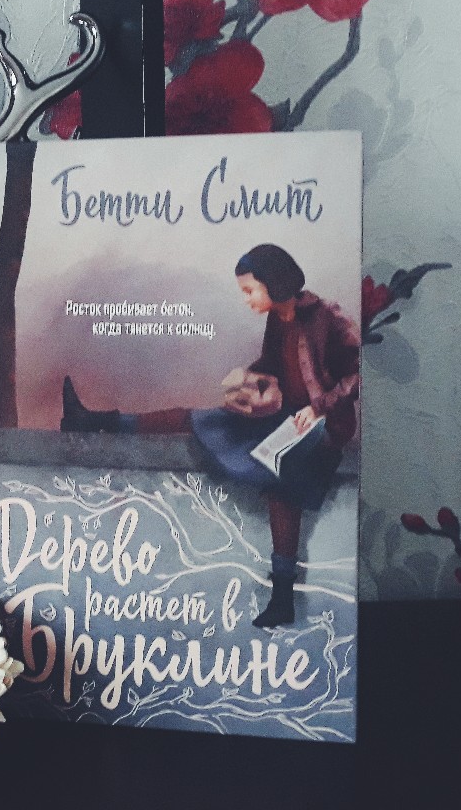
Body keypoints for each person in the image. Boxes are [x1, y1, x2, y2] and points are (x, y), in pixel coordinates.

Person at [61, 243, 360, 628]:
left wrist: (320, 406)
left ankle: (282, 597)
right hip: (283, 418)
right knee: (202, 419)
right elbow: (273, 365)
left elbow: (357, 373)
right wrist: (246, 379)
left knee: (284, 487)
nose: (246, 299)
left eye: (250, 290)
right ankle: (97, 421)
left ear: (274, 282)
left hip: (322, 430)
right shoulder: (278, 320)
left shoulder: (327, 318)